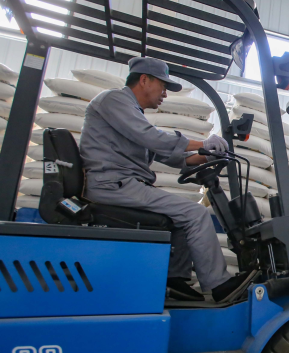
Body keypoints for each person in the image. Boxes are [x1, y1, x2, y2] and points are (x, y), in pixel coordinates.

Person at [80, 57, 249, 302]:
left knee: (180, 219)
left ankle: (174, 281)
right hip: (112, 184)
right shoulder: (113, 100)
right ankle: (220, 285)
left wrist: (208, 155)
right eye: (163, 86)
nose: (165, 94)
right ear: (144, 80)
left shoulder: (132, 115)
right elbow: (152, 138)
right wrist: (203, 142)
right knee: (196, 214)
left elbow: (171, 156)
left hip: (122, 184)